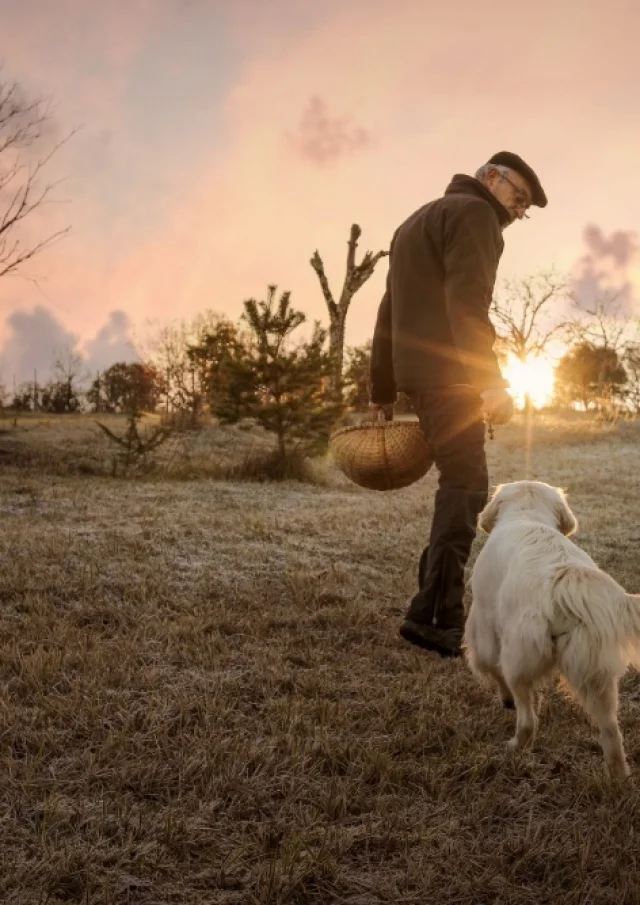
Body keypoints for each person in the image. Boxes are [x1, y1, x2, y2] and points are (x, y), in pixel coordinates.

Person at [369, 151, 548, 658]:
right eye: (517, 197)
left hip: (421, 379)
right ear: (490, 177)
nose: (517, 212)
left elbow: (387, 312)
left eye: (524, 208)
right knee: (466, 486)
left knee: (458, 484)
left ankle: (434, 599)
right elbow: (469, 304)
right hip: (451, 378)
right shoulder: (475, 216)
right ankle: (434, 614)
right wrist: (489, 380)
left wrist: (381, 387)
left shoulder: (413, 223)